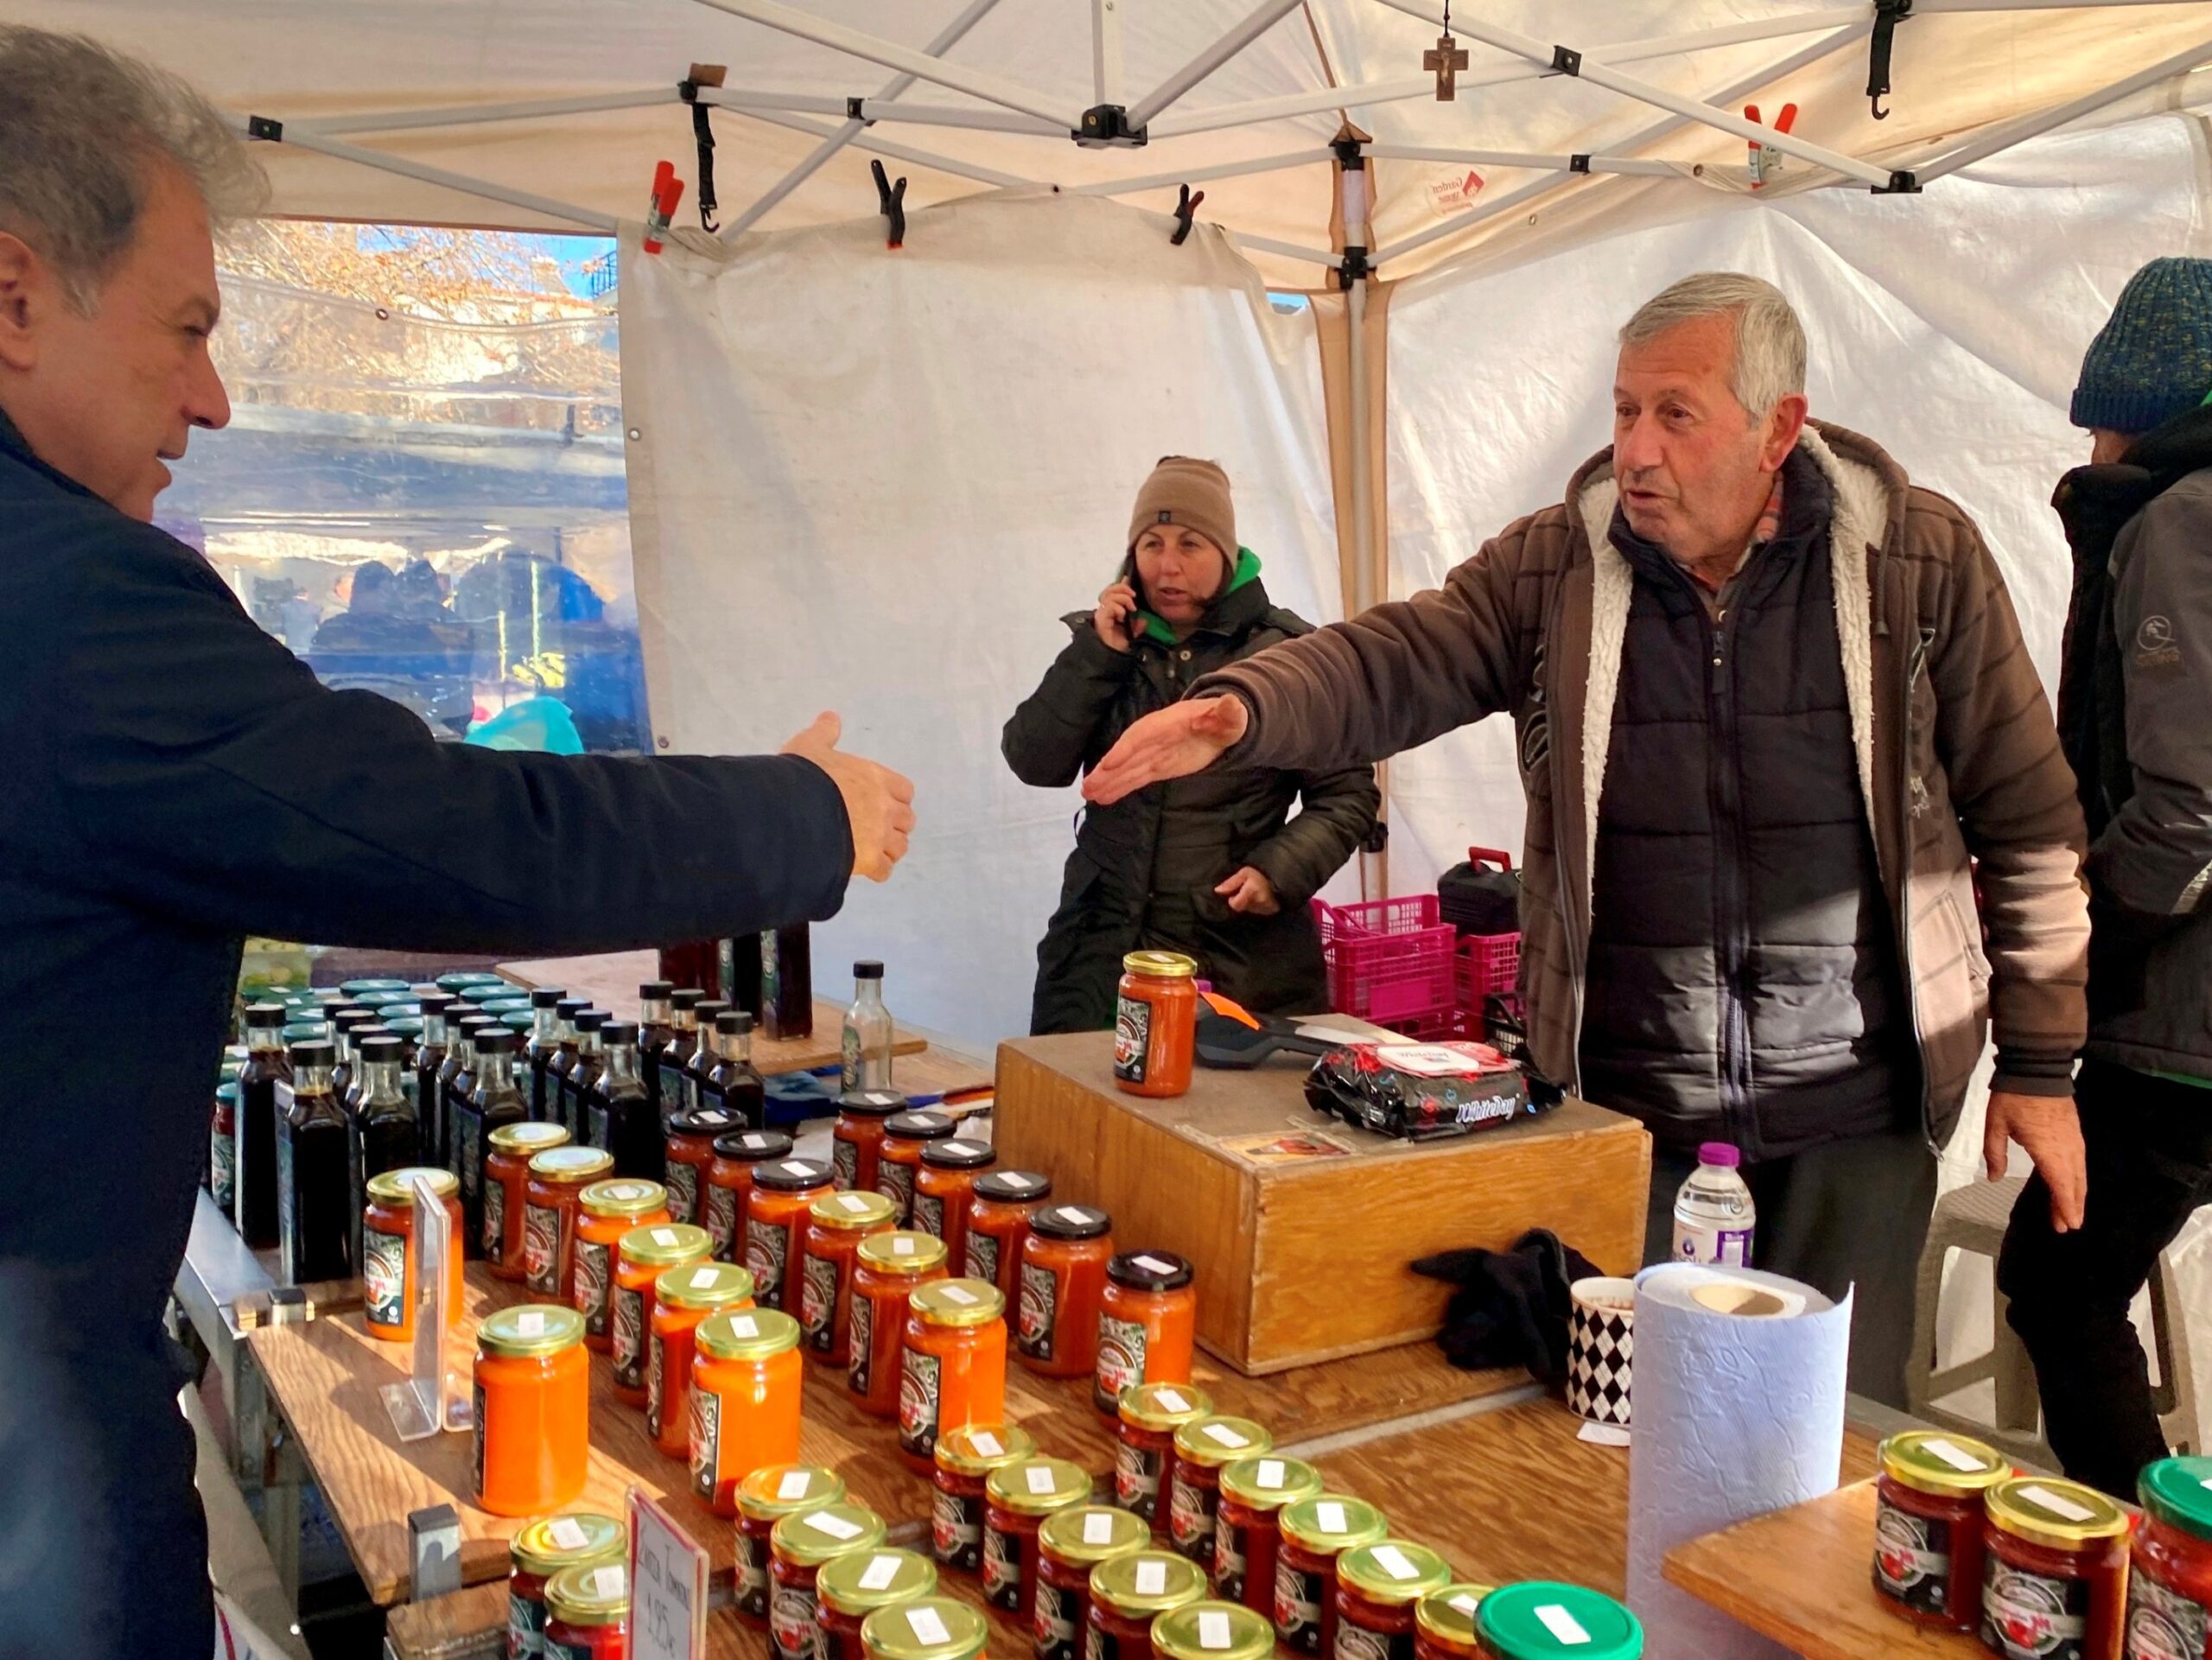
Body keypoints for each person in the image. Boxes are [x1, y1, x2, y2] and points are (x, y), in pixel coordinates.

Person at [0, 29, 914, 1660]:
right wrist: (804, 813)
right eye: (187, 327)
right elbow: (432, 830)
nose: (213, 397)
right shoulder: (64, 596)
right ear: (14, 294)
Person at [1084, 273, 2092, 1405]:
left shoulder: (1914, 559)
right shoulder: (1559, 565)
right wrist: (1245, 706)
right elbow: (1402, 655)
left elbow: (2028, 822)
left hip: (1853, 1113)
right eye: (1624, 410)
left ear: (1777, 430)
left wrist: (2039, 1068)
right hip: (1631, 1110)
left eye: (1675, 414)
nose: (1637, 450)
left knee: (1828, 1435)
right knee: (1625, 1429)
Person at [1999, 257, 2212, 1499]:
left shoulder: (2182, 519)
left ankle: (2151, 1562)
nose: (2089, 443)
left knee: (2057, 1282)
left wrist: (2084, 945)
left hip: (2181, 1025)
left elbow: (2187, 809)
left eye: (2100, 417)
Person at [1003, 455, 1379, 1032]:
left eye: (1191, 544)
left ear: (1227, 555)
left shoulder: (1287, 653)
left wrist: (1278, 873)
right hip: (1098, 951)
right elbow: (1033, 760)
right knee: (1079, 1087)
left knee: (1217, 1091)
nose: (1168, 566)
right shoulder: (1106, 643)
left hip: (1235, 955)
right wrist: (1096, 656)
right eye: (1151, 544)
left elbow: (1348, 795)